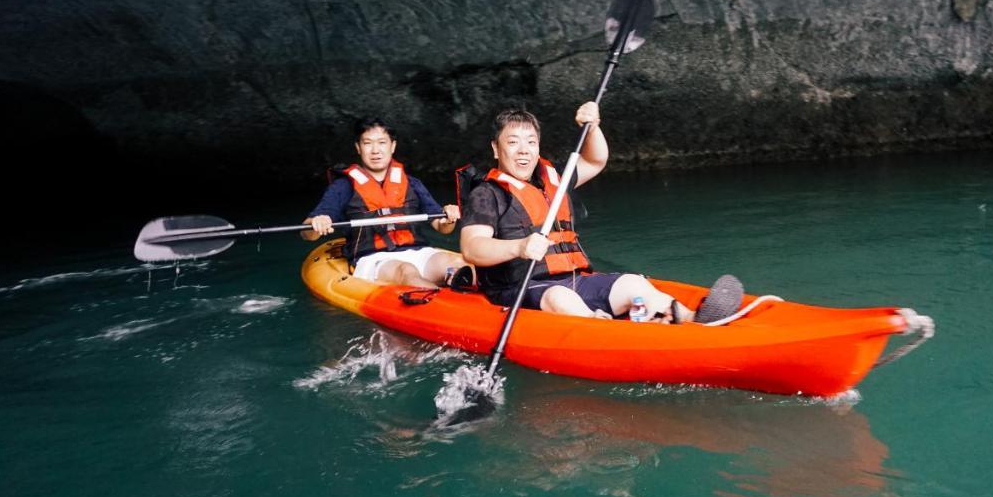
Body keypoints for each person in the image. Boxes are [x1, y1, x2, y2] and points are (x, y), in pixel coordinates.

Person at [458, 102, 742, 323]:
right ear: (496, 148)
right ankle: (601, 328)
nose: (524, 151)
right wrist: (519, 246)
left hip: (574, 278)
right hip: (519, 287)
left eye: (531, 142)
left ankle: (694, 320)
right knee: (560, 297)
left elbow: (596, 160)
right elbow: (472, 248)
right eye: (513, 142)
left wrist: (592, 128)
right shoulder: (486, 193)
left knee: (633, 283)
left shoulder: (555, 178)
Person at [303, 118, 466, 288]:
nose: (375, 150)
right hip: (373, 259)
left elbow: (442, 228)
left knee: (458, 262)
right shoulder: (343, 187)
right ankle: (437, 306)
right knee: (407, 270)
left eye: (382, 142)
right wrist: (316, 223)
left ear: (392, 146)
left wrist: (449, 219)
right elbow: (307, 234)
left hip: (417, 252)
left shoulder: (412, 183)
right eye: (368, 143)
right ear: (358, 148)